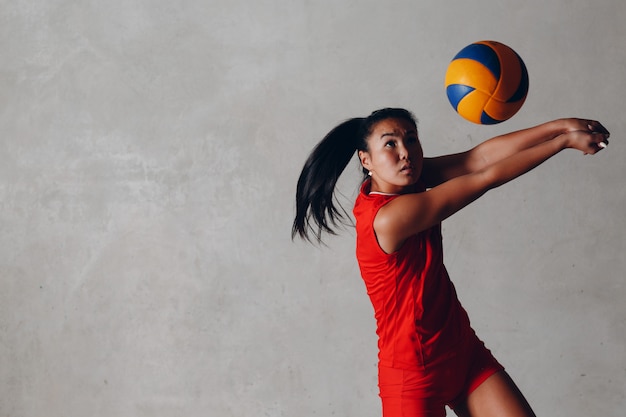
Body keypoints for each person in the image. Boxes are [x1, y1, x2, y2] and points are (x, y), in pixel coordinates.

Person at [292, 108, 610, 417]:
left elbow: (478, 158)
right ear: (366, 160)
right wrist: (561, 143)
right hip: (413, 376)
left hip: (462, 353)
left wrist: (561, 125)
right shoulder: (388, 219)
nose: (406, 152)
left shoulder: (408, 179)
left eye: (411, 139)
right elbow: (485, 176)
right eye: (390, 143)